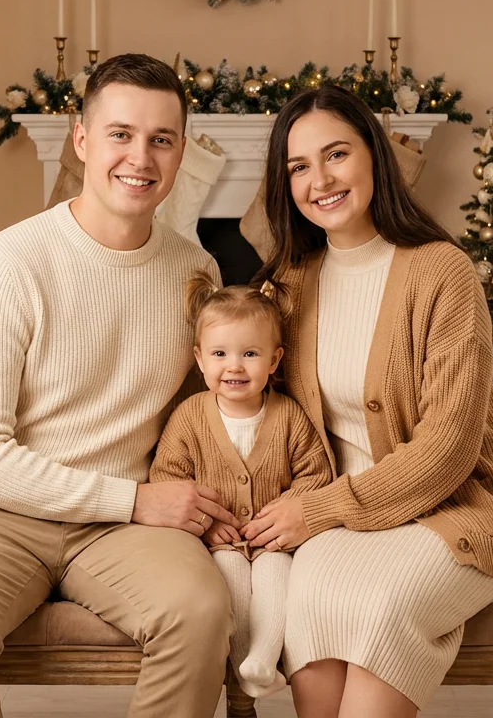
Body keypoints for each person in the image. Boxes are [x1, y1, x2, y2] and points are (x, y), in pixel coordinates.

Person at [0, 53, 240, 718]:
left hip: (121, 528)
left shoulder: (196, 270)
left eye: (161, 139)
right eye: (121, 134)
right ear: (82, 139)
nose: (140, 158)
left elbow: (200, 415)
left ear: (180, 153)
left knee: (200, 612)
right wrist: (136, 500)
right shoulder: (6, 264)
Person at [242, 85, 493, 718]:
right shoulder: (288, 285)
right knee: (307, 602)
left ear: (374, 155)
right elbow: (256, 411)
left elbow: (448, 450)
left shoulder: (442, 271)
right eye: (298, 167)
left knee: (378, 606)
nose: (320, 180)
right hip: (341, 519)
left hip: (455, 510)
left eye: (336, 154)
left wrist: (318, 510)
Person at [150, 273, 332, 700]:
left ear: (274, 360)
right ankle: (242, 671)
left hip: (273, 542)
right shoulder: (189, 417)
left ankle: (263, 660)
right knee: (229, 580)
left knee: (275, 578)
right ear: (200, 359)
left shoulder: (289, 415)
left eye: (250, 353)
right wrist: (206, 524)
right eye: (220, 353)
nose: (234, 366)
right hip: (220, 542)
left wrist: (283, 513)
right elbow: (167, 477)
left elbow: (316, 474)